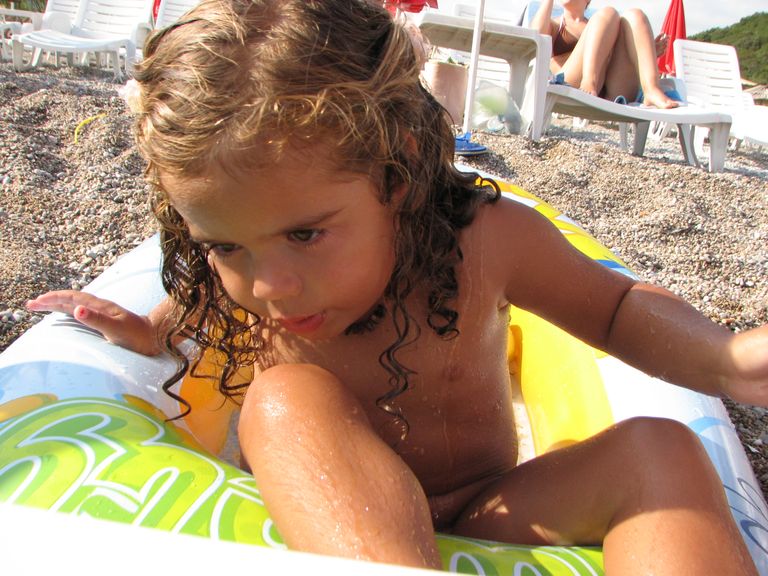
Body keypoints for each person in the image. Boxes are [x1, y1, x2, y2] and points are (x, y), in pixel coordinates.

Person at [26, 0, 764, 573]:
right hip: (333, 508)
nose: (270, 283)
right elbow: (202, 300)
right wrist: (148, 332)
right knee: (283, 397)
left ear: (397, 171)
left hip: (486, 509)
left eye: (305, 234)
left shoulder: (485, 239)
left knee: (661, 449)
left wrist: (724, 360)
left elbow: (615, 307)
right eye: (224, 246)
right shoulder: (255, 272)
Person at [531, 0, 679, 108]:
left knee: (635, 15)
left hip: (611, 91)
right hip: (571, 84)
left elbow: (616, 59)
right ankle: (589, 81)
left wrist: (646, 51)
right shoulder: (556, 24)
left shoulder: (604, 25)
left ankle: (651, 88)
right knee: (608, 13)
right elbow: (535, 37)